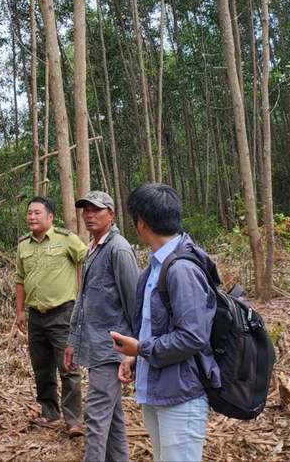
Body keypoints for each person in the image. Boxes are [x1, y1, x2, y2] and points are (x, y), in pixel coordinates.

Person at [110, 183, 221, 462]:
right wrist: (136, 358)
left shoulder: (181, 268)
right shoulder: (157, 265)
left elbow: (192, 337)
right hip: (160, 389)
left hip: (181, 396)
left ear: (141, 223)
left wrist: (142, 349)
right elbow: (159, 327)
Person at [65, 191, 139, 462]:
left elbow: (135, 304)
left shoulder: (119, 249)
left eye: (96, 210)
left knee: (95, 416)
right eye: (85, 210)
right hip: (95, 348)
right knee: (113, 417)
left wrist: (133, 351)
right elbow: (83, 302)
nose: (89, 215)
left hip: (111, 351)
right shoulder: (93, 249)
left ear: (111, 214)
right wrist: (73, 340)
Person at [14, 196, 88, 438]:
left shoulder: (66, 240)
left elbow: (88, 260)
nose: (31, 217)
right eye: (29, 213)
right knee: (41, 367)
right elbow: (20, 279)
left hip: (63, 315)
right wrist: (19, 311)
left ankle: (74, 420)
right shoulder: (24, 245)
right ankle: (49, 412)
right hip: (36, 317)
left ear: (50, 217)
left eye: (37, 213)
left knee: (69, 368)